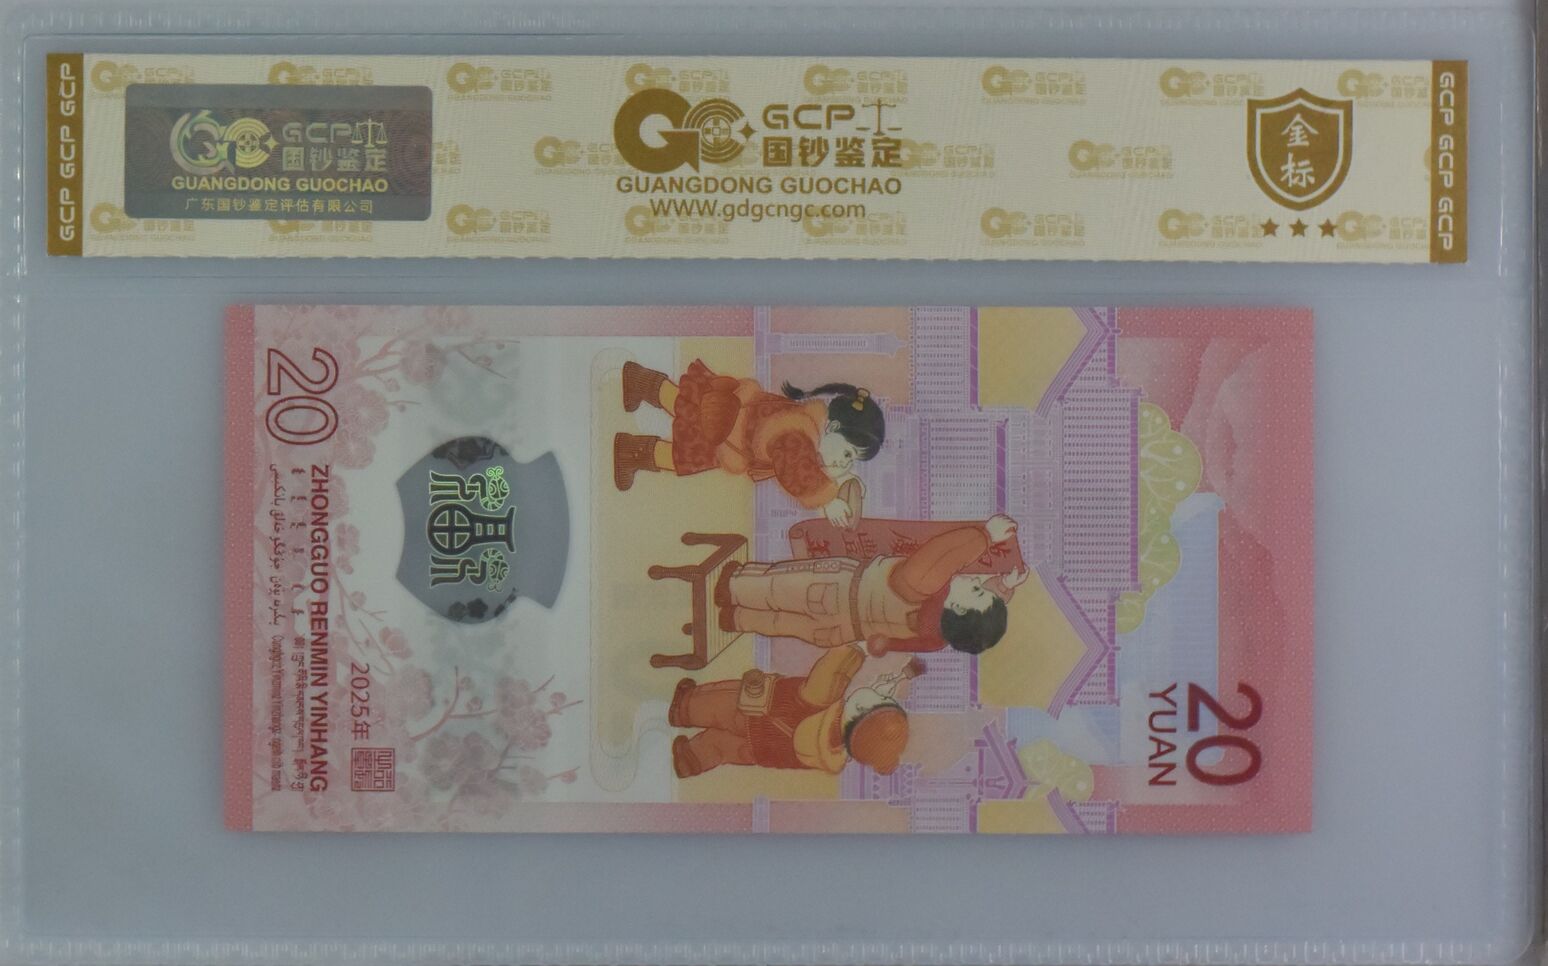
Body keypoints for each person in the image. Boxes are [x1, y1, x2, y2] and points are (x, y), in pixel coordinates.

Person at [613, 359, 885, 527]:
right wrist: (827, 500)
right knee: (682, 454)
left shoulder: (809, 425)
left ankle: (640, 382)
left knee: (685, 403)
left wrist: (844, 480)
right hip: (728, 434)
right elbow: (796, 473)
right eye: (848, 453)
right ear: (834, 427)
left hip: (733, 417)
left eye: (852, 461)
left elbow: (810, 462)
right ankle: (630, 451)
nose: (845, 462)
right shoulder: (798, 434)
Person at [715, 514, 1028, 655]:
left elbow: (942, 556)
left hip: (834, 591)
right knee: (782, 623)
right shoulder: (938, 638)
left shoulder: (924, 585)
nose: (974, 580)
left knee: (777, 588)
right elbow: (973, 621)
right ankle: (738, 619)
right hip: (840, 632)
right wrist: (1002, 586)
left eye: (976, 589)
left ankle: (733, 587)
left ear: (957, 607)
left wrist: (985, 536)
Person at [668, 643, 921, 778]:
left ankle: (685, 707)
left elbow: (832, 670)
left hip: (755, 713)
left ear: (862, 709)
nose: (881, 692)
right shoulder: (832, 751)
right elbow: (868, 704)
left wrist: (858, 649)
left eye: (881, 699)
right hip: (761, 751)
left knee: (719, 704)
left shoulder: (824, 698)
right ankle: (692, 759)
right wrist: (898, 678)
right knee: (723, 748)